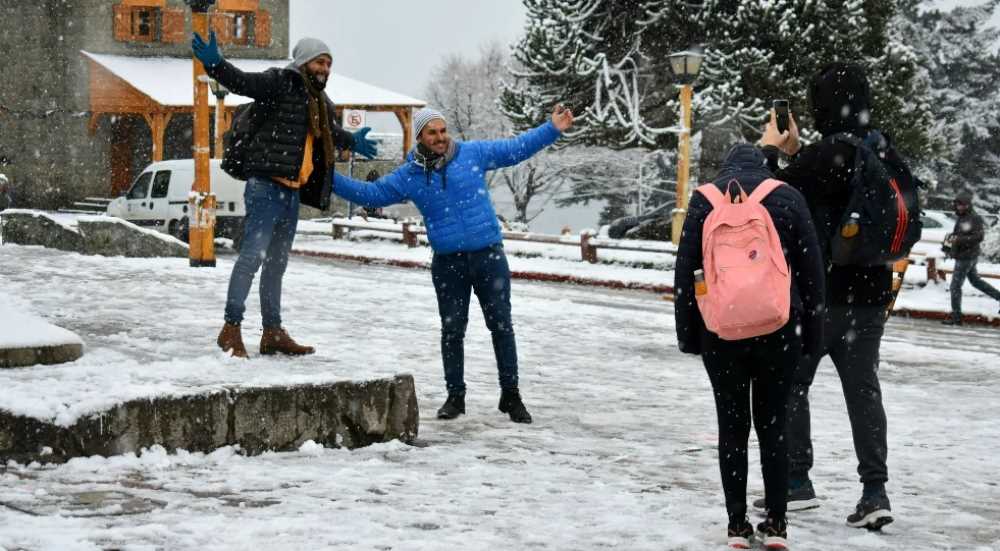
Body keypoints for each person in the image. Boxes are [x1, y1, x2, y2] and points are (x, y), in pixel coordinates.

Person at [330, 105, 574, 423]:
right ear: (420, 137)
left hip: (488, 256)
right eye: (432, 132)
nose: (440, 137)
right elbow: (372, 193)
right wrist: (325, 174)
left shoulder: (472, 154)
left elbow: (516, 149)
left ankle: (511, 396)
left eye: (443, 130)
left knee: (501, 327)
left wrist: (551, 128)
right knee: (452, 330)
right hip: (449, 263)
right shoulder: (409, 177)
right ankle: (455, 397)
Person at [758, 62, 912, 529]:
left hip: (820, 296)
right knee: (863, 391)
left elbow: (770, 196)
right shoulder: (883, 152)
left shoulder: (822, 157)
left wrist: (770, 150)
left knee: (790, 386)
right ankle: (874, 490)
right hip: (871, 297)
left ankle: (797, 482)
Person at [191, 32, 379, 358]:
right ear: (304, 61)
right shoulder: (280, 82)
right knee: (252, 258)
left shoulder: (319, 101)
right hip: (266, 187)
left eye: (329, 64)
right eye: (320, 61)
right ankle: (231, 329)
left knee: (276, 265)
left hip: (292, 192)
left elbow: (329, 133)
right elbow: (243, 82)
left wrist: (352, 140)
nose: (325, 68)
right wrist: (216, 64)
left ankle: (272, 332)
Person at [675, 144, 825, 549]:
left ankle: (737, 525)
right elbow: (812, 272)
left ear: (727, 167)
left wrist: (689, 335)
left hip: (721, 333)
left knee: (732, 427)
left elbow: (687, 271)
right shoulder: (787, 196)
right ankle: (776, 523)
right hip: (779, 329)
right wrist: (812, 335)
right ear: (765, 165)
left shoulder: (705, 199)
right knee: (774, 426)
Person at [942, 191, 1000, 324]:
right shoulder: (962, 217)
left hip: (966, 257)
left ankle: (956, 317)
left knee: (955, 286)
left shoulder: (973, 218)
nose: (959, 207)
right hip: (965, 256)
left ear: (968, 205)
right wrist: (947, 245)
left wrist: (958, 240)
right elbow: (956, 234)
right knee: (976, 281)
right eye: (957, 205)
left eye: (962, 205)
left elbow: (979, 237)